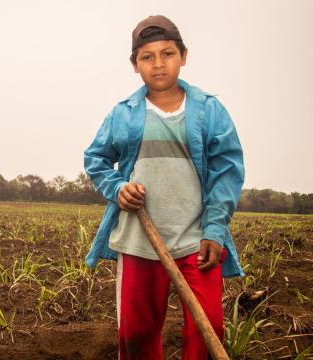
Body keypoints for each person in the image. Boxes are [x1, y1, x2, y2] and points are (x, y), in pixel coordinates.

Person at [83, 15, 245, 359]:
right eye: (147, 57)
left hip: (196, 238)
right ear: (134, 64)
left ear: (183, 57)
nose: (158, 64)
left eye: (168, 54)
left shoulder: (209, 111)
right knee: (137, 331)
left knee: (208, 326)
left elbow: (227, 171)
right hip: (140, 239)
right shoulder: (123, 114)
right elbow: (95, 159)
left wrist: (215, 229)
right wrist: (118, 188)